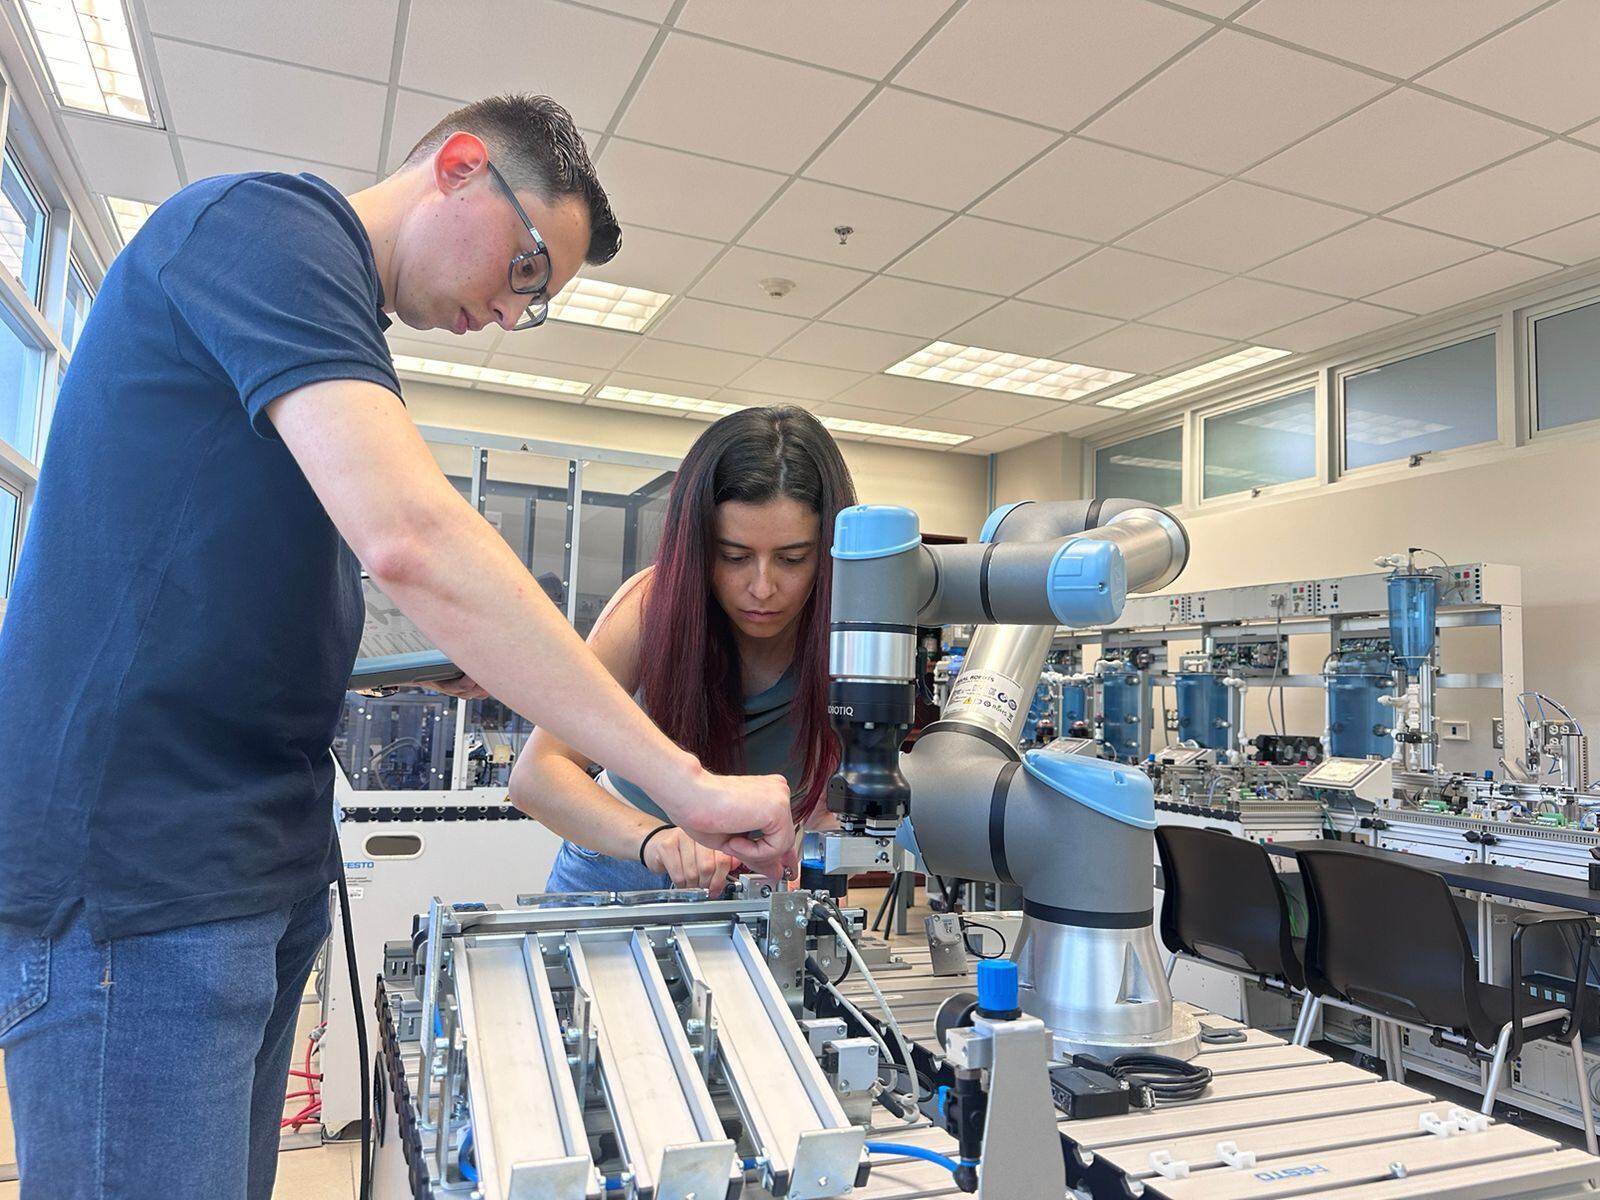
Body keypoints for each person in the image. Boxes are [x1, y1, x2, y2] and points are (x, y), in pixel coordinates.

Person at [0, 94, 794, 1200]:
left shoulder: (328, 324)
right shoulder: (261, 231)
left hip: (244, 864)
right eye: (526, 270)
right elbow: (413, 539)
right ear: (461, 167)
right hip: (141, 873)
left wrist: (424, 661)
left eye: (539, 303)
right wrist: (686, 786)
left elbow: (226, 592)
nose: (513, 310)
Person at [512, 405, 856, 896]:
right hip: (624, 859)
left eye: (792, 558)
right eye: (733, 556)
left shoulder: (853, 625)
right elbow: (537, 775)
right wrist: (658, 841)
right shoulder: (649, 606)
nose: (762, 587)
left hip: (766, 876)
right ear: (697, 545)